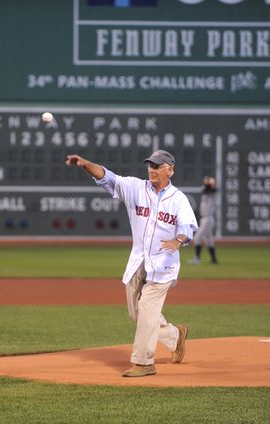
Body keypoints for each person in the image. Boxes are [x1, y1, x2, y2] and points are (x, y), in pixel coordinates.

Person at [65, 150, 198, 377]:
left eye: (157, 166)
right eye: (150, 165)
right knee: (137, 314)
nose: (152, 170)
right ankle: (175, 336)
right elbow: (107, 177)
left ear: (170, 170)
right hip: (139, 260)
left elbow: (188, 226)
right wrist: (85, 163)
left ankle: (144, 363)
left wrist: (178, 240)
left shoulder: (178, 199)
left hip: (163, 264)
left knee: (147, 309)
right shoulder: (136, 188)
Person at [188, 176, 218, 265]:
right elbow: (204, 189)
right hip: (205, 219)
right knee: (209, 240)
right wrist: (207, 183)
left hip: (208, 219)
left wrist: (210, 183)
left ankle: (197, 259)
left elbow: (211, 189)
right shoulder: (206, 191)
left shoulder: (213, 191)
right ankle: (214, 260)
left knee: (197, 238)